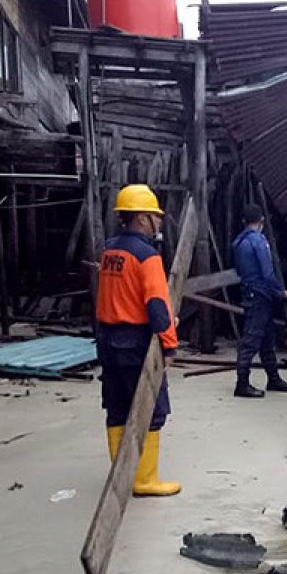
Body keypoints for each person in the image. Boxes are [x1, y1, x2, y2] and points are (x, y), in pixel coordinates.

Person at [95, 183, 180, 496]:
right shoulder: (147, 256)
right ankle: (144, 480)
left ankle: (121, 473)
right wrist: (169, 344)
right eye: (155, 217)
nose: (158, 223)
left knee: (117, 407)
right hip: (134, 341)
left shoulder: (110, 250)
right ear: (143, 219)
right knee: (151, 408)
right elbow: (157, 304)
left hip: (107, 337)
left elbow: (115, 294)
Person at [232, 203, 287, 398]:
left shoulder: (238, 242)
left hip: (250, 292)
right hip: (261, 295)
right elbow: (267, 273)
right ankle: (242, 383)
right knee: (252, 340)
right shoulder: (259, 242)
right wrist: (280, 292)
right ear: (261, 221)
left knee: (267, 338)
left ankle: (273, 378)